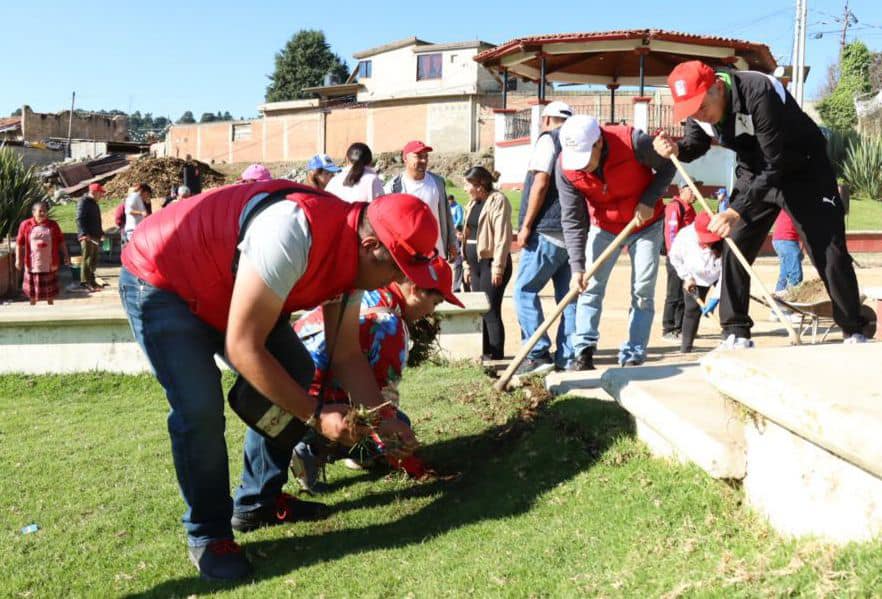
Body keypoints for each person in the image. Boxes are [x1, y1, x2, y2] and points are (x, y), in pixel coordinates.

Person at [119, 181, 428, 580]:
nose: (396, 282)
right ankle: (209, 535)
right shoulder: (293, 231)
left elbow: (346, 352)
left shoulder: (352, 257)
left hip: (225, 284)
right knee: (199, 408)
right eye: (397, 270)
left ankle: (256, 503)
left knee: (296, 372)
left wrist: (386, 420)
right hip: (164, 279)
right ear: (372, 249)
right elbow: (244, 346)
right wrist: (316, 416)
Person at [653, 60, 868, 346]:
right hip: (755, 173)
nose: (700, 115)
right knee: (734, 242)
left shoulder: (759, 91)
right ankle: (735, 331)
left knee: (827, 250)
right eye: (691, 110)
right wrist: (677, 148)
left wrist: (736, 210)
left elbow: (775, 161)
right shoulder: (699, 110)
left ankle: (853, 328)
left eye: (702, 107)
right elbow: (697, 141)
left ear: (718, 86)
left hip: (803, 170)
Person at [290, 256, 463, 491]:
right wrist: (401, 452)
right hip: (312, 403)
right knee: (399, 422)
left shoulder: (370, 291)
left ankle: (351, 452)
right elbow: (381, 403)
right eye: (435, 303)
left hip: (288, 382)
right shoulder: (390, 327)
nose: (432, 312)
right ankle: (311, 446)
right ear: (415, 290)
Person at [558, 115, 676, 368]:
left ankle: (634, 353)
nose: (581, 167)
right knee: (589, 286)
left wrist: (648, 200)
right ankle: (584, 351)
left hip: (645, 224)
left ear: (599, 142)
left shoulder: (633, 141)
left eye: (585, 157)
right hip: (604, 226)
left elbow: (668, 167)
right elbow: (572, 219)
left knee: (642, 290)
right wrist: (577, 266)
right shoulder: (566, 167)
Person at [513, 100, 576, 375]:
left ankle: (537, 352)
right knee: (569, 299)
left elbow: (541, 182)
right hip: (574, 233)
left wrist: (526, 225)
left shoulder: (548, 140)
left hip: (547, 230)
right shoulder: (579, 141)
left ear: (548, 119)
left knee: (524, 290)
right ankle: (569, 356)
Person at [462, 166, 513, 360]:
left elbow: (502, 237)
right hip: (474, 265)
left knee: (490, 310)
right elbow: (467, 235)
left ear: (479, 184)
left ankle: (497, 356)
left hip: (490, 263)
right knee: (479, 309)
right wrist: (466, 265)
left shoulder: (497, 200)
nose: (465, 188)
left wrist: (498, 267)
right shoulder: (472, 203)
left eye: (468, 184)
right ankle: (484, 353)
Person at [385, 140, 458, 260]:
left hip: (437, 255)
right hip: (408, 257)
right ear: (405, 158)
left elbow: (446, 215)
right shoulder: (393, 187)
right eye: (418, 156)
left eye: (426, 156)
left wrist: (452, 242)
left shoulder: (437, 182)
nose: (424, 161)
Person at [667, 212, 723, 353]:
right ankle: (686, 348)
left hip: (717, 274)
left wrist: (716, 297)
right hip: (694, 276)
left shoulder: (724, 236)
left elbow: (727, 272)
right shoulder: (684, 236)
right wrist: (686, 277)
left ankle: (729, 341)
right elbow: (675, 258)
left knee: (728, 307)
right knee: (692, 310)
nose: (708, 243)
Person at [661, 181, 697, 343]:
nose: (695, 193)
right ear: (682, 190)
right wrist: (675, 256)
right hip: (676, 257)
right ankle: (669, 328)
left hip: (688, 257)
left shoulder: (691, 208)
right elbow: (671, 233)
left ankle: (681, 327)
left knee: (686, 293)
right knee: (674, 293)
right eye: (692, 189)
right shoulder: (675, 207)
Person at [16, 200, 69, 305]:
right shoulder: (25, 224)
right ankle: (32, 308)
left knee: (50, 293)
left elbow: (61, 241)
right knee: (32, 293)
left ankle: (50, 308)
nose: (42, 213)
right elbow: (19, 243)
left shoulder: (53, 225)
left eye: (44, 211)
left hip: (49, 263)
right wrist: (18, 260)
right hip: (32, 264)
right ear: (33, 212)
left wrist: (66, 255)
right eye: (40, 211)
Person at [75, 182, 105, 291]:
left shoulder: (93, 203)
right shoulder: (83, 202)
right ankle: (85, 283)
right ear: (93, 192)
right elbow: (79, 219)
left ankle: (92, 281)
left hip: (95, 236)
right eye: (100, 193)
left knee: (93, 260)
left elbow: (97, 220)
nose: (102, 195)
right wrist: (84, 234)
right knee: (87, 259)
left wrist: (101, 233)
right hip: (87, 236)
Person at [772, 209, 803, 294]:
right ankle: (793, 299)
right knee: (795, 275)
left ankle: (779, 303)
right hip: (786, 240)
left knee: (784, 274)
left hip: (782, 240)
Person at [447, 194, 465, 292]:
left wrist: (454, 226)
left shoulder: (458, 207)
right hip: (451, 229)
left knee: (458, 254)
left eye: (450, 201)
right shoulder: (448, 207)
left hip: (457, 229)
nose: (449, 203)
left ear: (453, 200)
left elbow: (459, 218)